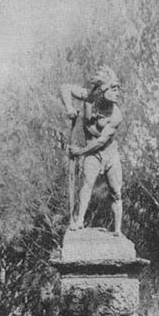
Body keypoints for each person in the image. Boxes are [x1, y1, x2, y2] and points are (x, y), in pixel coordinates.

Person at [60, 65, 124, 236]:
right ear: (103, 89)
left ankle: (118, 230)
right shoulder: (89, 97)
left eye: (118, 89)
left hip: (109, 154)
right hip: (92, 154)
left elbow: (101, 142)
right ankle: (79, 220)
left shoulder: (116, 115)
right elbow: (64, 88)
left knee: (116, 192)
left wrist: (78, 152)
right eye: (114, 89)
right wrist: (69, 109)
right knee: (87, 185)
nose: (118, 93)